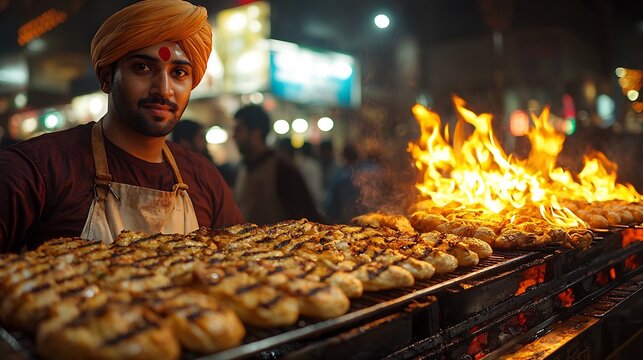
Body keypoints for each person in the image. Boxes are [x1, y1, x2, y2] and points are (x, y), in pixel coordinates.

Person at [0, 0, 244, 253]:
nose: (163, 89)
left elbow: (242, 267)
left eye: (179, 72)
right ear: (107, 78)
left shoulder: (204, 178)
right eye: (143, 67)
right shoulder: (36, 169)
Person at [232, 104, 321, 225]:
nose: (233, 136)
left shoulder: (282, 169)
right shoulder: (243, 168)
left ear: (256, 133)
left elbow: (307, 219)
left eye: (238, 130)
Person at [172, 119, 238, 187]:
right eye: (200, 137)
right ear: (185, 142)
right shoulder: (181, 173)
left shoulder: (204, 167)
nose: (205, 142)